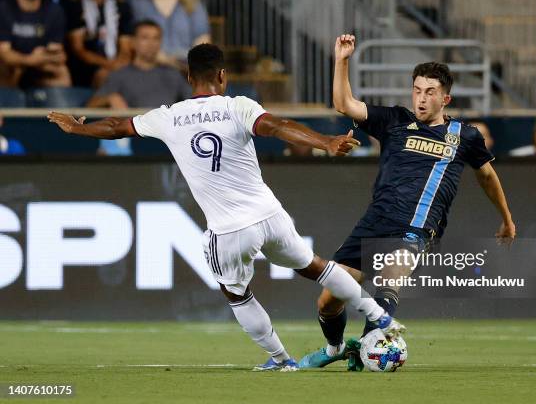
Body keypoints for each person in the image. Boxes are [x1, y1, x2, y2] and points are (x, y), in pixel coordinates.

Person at [48, 43, 404, 371]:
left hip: (229, 228)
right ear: (222, 76)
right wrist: (325, 141)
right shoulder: (239, 106)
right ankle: (380, 316)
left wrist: (78, 130)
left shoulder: (167, 116)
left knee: (236, 293)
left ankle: (281, 359)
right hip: (270, 215)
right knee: (316, 267)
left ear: (189, 78)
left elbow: (114, 126)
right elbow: (279, 127)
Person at [299, 34, 516, 371]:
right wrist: (342, 60)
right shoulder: (395, 121)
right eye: (417, 90)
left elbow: (487, 175)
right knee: (328, 301)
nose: (421, 98)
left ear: (446, 98)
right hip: (374, 222)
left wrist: (506, 218)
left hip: (416, 229)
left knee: (389, 280)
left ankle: (368, 350)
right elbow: (345, 104)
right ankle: (335, 349)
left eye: (429, 92)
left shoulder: (465, 136)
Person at [87, 20, 191, 109]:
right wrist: (109, 98)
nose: (151, 43)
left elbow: (195, 101)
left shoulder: (172, 73)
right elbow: (89, 107)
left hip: (168, 129)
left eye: (156, 38)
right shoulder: (120, 75)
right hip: (135, 130)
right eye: (145, 38)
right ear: (133, 43)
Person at [0, 0, 71, 88]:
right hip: (12, 63)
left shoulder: (54, 10)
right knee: (5, 68)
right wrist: (29, 60)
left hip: (40, 64)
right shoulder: (4, 7)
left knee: (61, 71)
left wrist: (56, 56)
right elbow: (4, 52)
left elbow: (55, 51)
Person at [63, 0, 133, 87]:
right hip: (85, 68)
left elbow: (126, 48)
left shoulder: (122, 7)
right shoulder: (75, 6)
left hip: (117, 63)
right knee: (105, 76)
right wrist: (109, 64)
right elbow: (78, 49)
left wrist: (119, 64)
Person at [130, 0, 210, 69]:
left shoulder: (193, 3)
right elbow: (137, 39)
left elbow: (202, 39)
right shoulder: (138, 3)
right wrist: (165, 60)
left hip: (187, 68)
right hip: (151, 65)